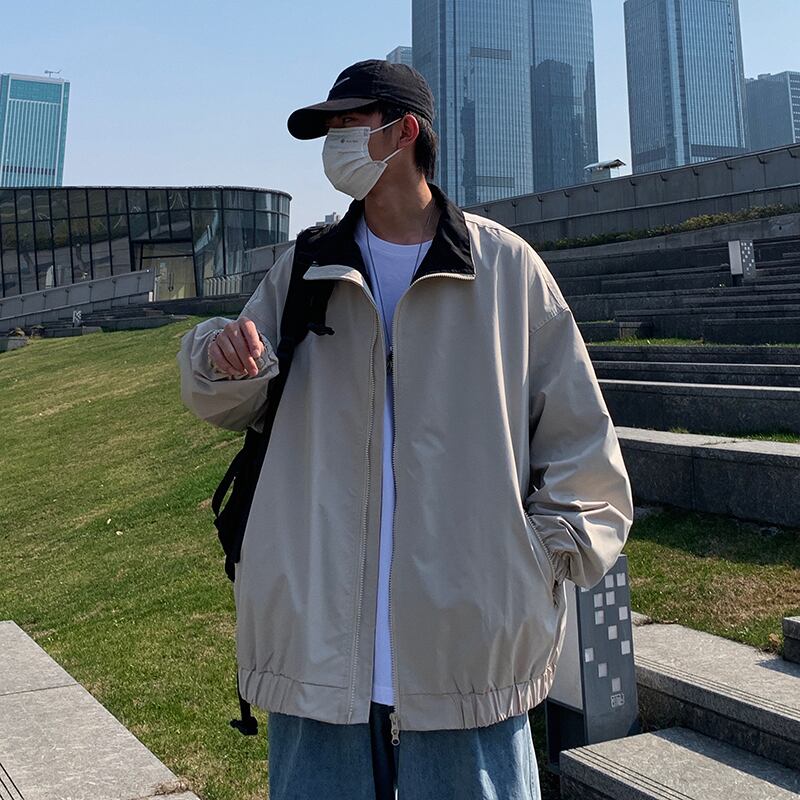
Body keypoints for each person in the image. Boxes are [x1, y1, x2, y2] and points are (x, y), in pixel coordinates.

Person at [177, 59, 633, 800]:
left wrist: (535, 561)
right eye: (326, 128)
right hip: (317, 648)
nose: (333, 141)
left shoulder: (505, 269)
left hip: (470, 654)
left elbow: (583, 444)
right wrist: (222, 357)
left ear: (405, 132)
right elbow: (223, 398)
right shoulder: (305, 268)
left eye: (348, 123)